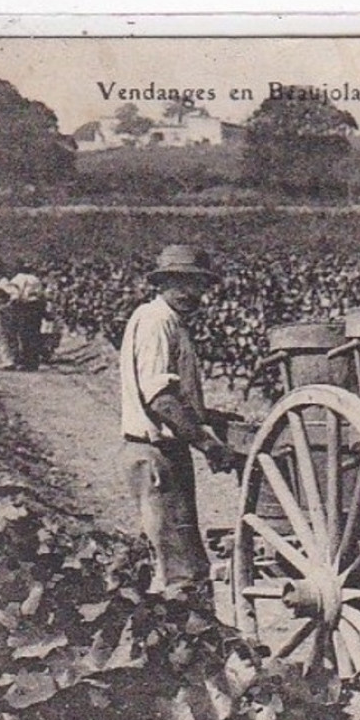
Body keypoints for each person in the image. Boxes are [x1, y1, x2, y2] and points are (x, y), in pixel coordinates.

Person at [120, 244, 240, 596]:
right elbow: (160, 399)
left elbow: (173, 397)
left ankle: (190, 645)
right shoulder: (158, 322)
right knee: (182, 571)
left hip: (167, 452)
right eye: (180, 283)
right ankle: (184, 646)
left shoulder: (169, 320)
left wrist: (210, 417)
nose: (190, 293)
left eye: (198, 285)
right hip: (155, 454)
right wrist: (209, 446)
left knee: (187, 561)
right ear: (162, 283)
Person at [0, 272, 48, 370]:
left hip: (25, 307)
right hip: (36, 307)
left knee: (23, 335)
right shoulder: (35, 278)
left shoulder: (18, 278)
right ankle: (32, 362)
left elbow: (16, 296)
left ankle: (23, 361)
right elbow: (42, 295)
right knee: (34, 334)